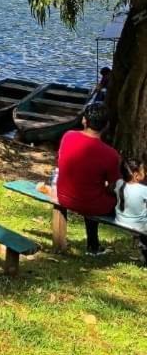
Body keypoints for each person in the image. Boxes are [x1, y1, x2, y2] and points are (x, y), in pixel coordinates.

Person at [55, 102, 121, 256]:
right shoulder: (111, 154)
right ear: (106, 125)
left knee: (92, 191)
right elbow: (114, 186)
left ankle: (94, 245)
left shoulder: (67, 136)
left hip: (63, 196)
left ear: (84, 120)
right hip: (88, 203)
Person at [114, 158, 147, 267]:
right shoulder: (143, 189)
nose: (145, 172)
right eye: (143, 170)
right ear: (136, 174)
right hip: (137, 225)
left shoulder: (119, 183)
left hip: (120, 221)